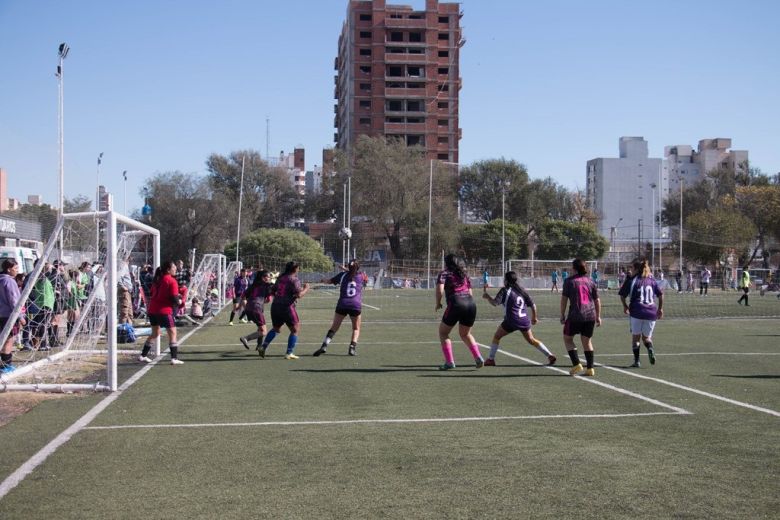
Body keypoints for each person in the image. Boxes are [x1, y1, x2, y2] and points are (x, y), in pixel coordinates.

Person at [482, 271, 555, 366]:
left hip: (511, 320)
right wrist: (534, 317)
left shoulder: (505, 290)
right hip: (524, 320)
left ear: (506, 281)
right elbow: (533, 305)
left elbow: (495, 303)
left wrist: (487, 297)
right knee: (531, 340)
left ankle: (491, 359)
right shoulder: (522, 290)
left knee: (497, 336)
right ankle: (550, 355)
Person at [435, 254, 483, 370]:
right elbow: (470, 292)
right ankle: (478, 357)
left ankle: (449, 362)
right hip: (470, 304)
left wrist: (438, 303)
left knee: (443, 333)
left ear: (446, 263)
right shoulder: (464, 273)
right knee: (465, 334)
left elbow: (440, 290)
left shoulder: (445, 273)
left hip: (456, 303)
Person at [258, 261, 310, 360]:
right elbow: (299, 295)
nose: (299, 270)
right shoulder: (294, 280)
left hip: (276, 306)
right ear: (295, 269)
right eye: (298, 268)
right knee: (295, 330)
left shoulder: (280, 278)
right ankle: (289, 353)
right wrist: (306, 288)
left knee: (276, 329)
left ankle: (263, 346)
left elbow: (273, 290)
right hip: (287, 308)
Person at [313, 260, 365, 357]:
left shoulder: (342, 275)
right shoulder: (361, 276)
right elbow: (354, 273)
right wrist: (346, 269)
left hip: (342, 304)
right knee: (356, 328)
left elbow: (329, 281)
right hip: (355, 305)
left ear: (348, 267)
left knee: (334, 327)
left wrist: (323, 280)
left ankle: (324, 346)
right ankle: (352, 348)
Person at [619, 258, 664, 368]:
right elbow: (661, 294)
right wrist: (660, 309)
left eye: (632, 268)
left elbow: (622, 295)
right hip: (651, 312)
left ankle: (637, 361)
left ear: (635, 269)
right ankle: (650, 348)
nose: (631, 270)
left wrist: (625, 306)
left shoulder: (632, 280)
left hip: (637, 311)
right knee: (647, 338)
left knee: (636, 338)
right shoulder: (651, 279)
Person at [560, 258, 601, 377]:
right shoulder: (590, 281)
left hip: (575, 315)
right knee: (587, 341)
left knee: (567, 339)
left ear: (574, 269)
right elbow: (597, 300)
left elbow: (564, 299)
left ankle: (576, 364)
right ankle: (590, 368)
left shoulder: (569, 281)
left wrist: (562, 314)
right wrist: (598, 316)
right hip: (590, 316)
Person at [138, 260, 184, 365]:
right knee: (173, 333)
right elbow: (174, 299)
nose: (175, 269)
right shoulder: (171, 281)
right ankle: (174, 358)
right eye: (174, 267)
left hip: (152, 310)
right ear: (168, 269)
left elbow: (153, 293)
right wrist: (180, 301)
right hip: (164, 311)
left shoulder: (157, 280)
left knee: (155, 333)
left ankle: (143, 355)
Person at [238, 270, 274, 352]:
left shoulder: (253, 285)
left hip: (248, 308)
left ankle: (259, 345)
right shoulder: (267, 286)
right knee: (264, 331)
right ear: (263, 278)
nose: (269, 278)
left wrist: (247, 303)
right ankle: (246, 338)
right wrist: (263, 300)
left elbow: (243, 296)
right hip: (256, 308)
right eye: (268, 277)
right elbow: (269, 300)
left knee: (260, 327)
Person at [0, 259, 25, 373]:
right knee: (9, 340)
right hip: (8, 316)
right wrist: (20, 316)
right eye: (15, 268)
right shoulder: (9, 281)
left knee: (3, 339)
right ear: (8, 269)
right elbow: (14, 301)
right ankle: (6, 366)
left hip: (1, 315)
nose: (17, 271)